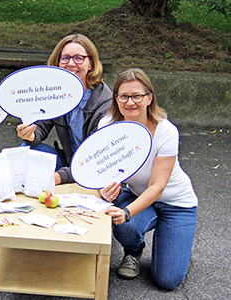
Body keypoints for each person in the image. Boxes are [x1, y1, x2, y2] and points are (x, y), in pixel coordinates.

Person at [99, 68, 198, 290]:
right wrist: (104, 189)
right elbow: (104, 172)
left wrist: (126, 212)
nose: (130, 102)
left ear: (149, 98)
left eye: (137, 96)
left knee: (167, 281)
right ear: (116, 98)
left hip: (176, 203)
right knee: (125, 226)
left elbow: (158, 186)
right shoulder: (107, 125)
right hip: (135, 193)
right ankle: (134, 251)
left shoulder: (166, 131)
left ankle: (176, 244)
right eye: (123, 96)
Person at [16, 34, 112, 185]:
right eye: (65, 58)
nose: (71, 64)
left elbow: (96, 159)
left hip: (97, 168)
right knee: (26, 150)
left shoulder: (105, 104)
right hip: (69, 161)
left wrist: (59, 177)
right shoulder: (58, 94)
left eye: (79, 58)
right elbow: (41, 125)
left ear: (91, 64)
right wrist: (31, 134)